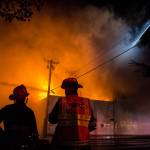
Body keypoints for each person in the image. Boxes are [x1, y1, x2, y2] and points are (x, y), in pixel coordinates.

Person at [49, 78, 96, 150]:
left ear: (68, 89)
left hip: (64, 145)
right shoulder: (86, 102)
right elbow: (92, 125)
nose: (65, 91)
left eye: (65, 88)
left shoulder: (61, 101)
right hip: (84, 146)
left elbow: (52, 120)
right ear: (76, 89)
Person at [0, 84, 39, 150]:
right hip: (23, 145)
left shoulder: (7, 109)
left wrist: (3, 136)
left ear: (14, 98)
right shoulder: (29, 112)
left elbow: (34, 132)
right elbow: (34, 132)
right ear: (25, 98)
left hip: (8, 145)